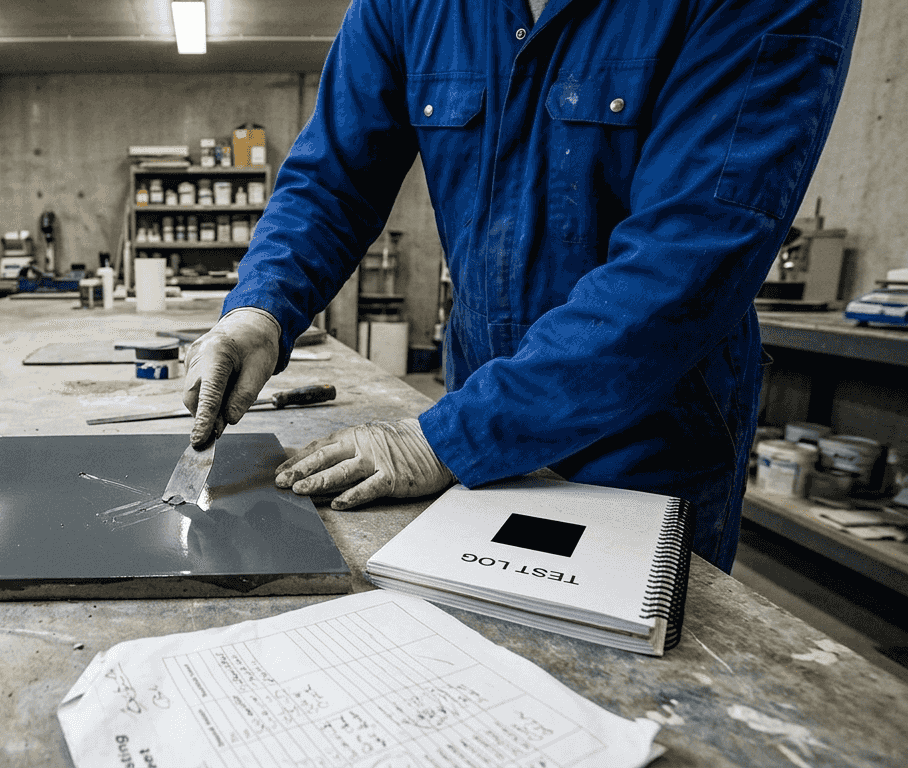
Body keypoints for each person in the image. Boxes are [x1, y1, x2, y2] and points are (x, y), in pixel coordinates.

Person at [182, 0, 861, 573]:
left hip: (649, 441)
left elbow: (691, 253)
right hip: (478, 410)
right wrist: (259, 310)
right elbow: (332, 179)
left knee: (627, 692)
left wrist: (444, 439)